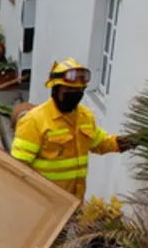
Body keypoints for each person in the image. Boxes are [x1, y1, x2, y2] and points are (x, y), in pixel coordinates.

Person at [10, 58, 139, 201]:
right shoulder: (34, 120)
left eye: (79, 90)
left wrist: (127, 142)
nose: (75, 93)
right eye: (69, 89)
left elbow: (100, 142)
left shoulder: (85, 117)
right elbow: (18, 167)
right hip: (43, 202)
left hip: (75, 201)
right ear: (55, 89)